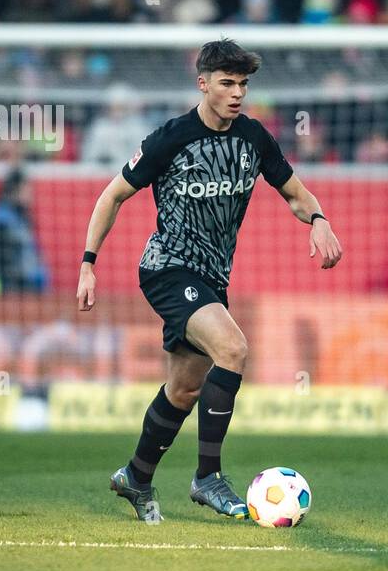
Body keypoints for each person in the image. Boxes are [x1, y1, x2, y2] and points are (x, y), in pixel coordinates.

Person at [77, 39, 343, 524]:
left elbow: (294, 192)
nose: (237, 93)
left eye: (243, 83)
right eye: (227, 83)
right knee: (234, 349)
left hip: (212, 278)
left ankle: (136, 476)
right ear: (203, 84)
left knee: (182, 389)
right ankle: (207, 478)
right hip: (167, 268)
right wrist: (88, 263)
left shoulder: (255, 138)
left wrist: (319, 219)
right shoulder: (171, 138)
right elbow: (112, 195)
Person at [0, 168, 49, 293]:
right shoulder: (1, 222)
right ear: (14, 191)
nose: (31, 194)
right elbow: (2, 266)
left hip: (25, 292)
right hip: (11, 295)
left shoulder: (20, 217)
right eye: (26, 190)